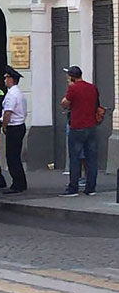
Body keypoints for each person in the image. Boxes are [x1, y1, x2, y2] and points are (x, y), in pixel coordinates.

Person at [59, 66, 99, 197]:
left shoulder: (73, 88)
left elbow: (64, 103)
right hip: (91, 126)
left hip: (77, 127)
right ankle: (91, 187)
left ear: (71, 77)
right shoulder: (92, 87)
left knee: (75, 158)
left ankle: (73, 188)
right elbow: (96, 104)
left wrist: (70, 89)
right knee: (91, 158)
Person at [1, 66, 28, 194]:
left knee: (12, 157)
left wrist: (4, 126)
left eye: (6, 77)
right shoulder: (19, 93)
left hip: (14, 127)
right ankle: (21, 182)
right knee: (15, 156)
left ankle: (17, 184)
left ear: (11, 79)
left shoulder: (12, 94)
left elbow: (8, 112)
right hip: (19, 126)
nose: (5, 80)